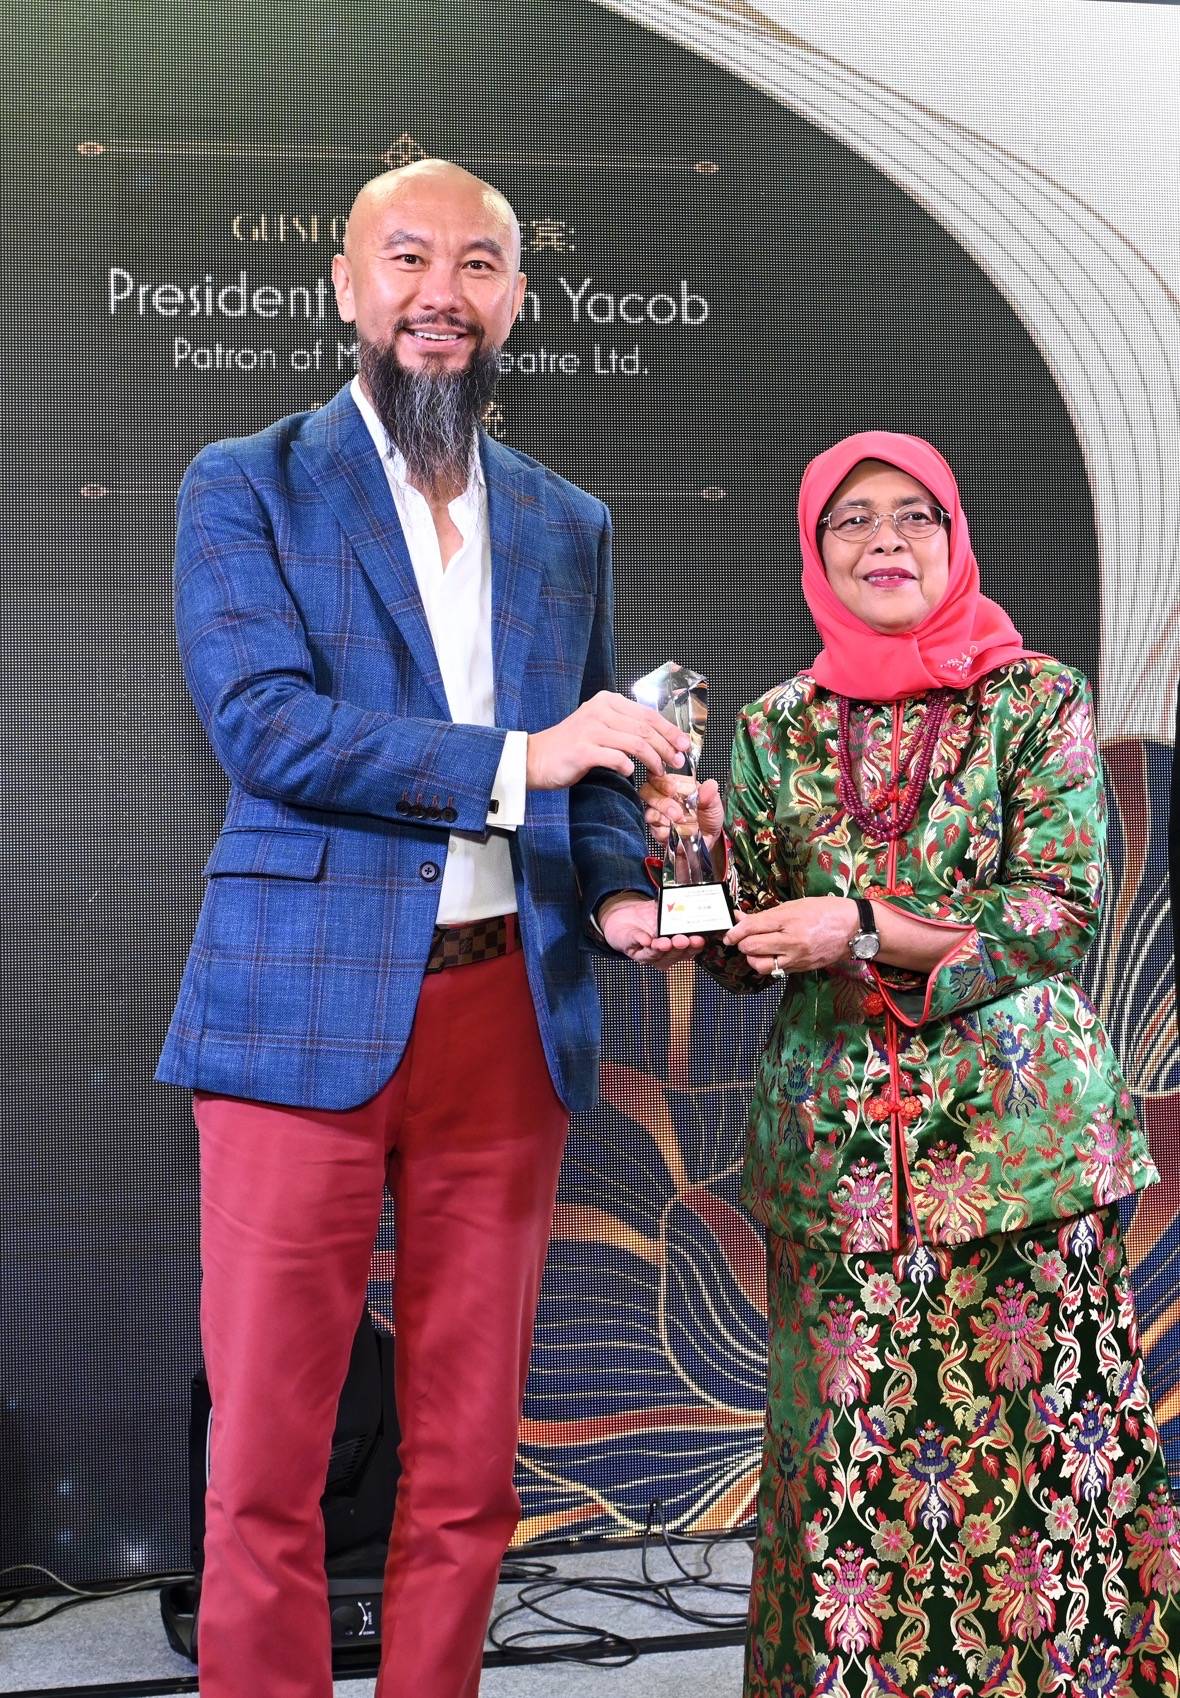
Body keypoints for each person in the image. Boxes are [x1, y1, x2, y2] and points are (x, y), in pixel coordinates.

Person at [156, 159, 703, 1698]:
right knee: (267, 1463)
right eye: (407, 259)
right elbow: (266, 726)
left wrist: (620, 893)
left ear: (516, 297)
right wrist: (523, 761)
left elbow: (597, 773)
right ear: (347, 285)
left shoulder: (566, 522)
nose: (439, 294)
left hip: (506, 1021)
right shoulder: (246, 483)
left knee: (467, 1465)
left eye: (476, 264)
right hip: (295, 1014)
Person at [645, 431, 1180, 1696]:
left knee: (1043, 1469)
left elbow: (1055, 911)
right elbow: (743, 955)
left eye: (912, 515)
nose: (883, 540)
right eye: (850, 520)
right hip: (833, 1165)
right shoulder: (775, 727)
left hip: (1020, 1156)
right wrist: (696, 860)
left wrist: (863, 928)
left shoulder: (1035, 699)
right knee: (847, 1478)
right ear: (815, 552)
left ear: (953, 536)